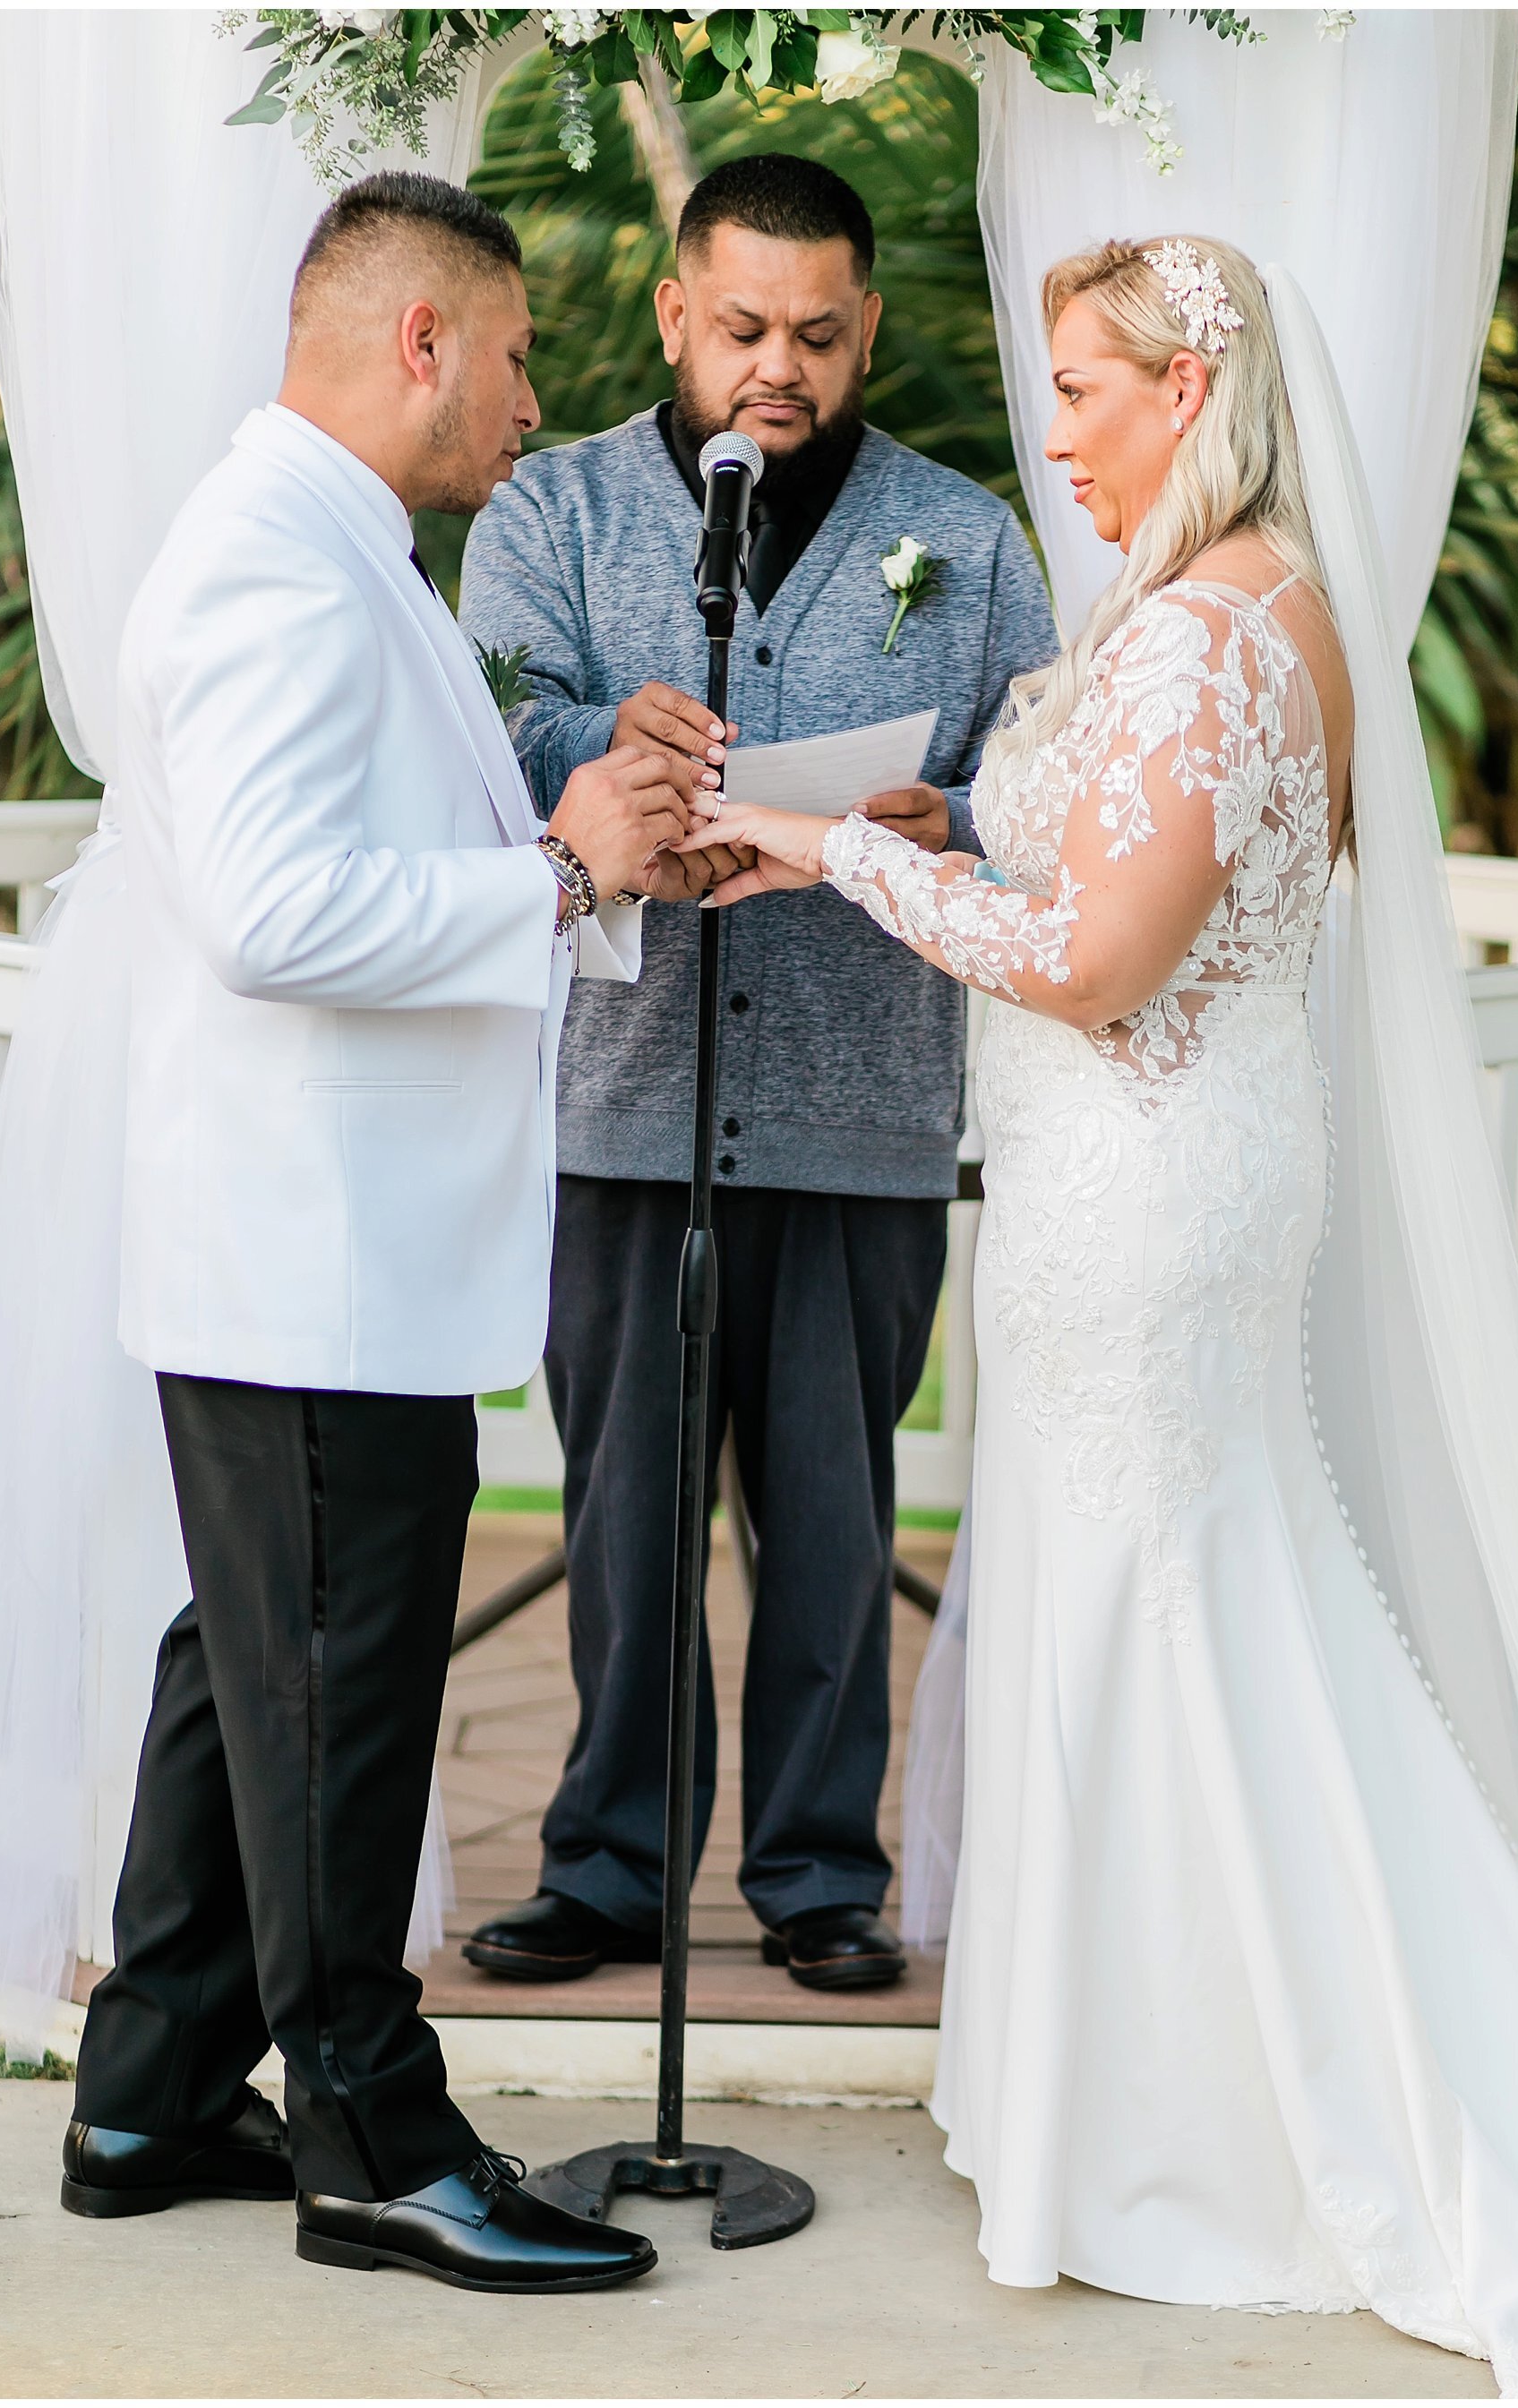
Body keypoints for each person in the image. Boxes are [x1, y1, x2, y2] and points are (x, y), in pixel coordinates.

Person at [679, 239, 1518, 2392]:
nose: (1053, 432)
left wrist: (826, 853)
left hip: (1148, 1194)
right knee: (1152, 1594)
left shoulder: (1208, 641)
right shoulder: (1243, 611)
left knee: (1169, 1610)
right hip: (1150, 1185)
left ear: (1190, 390)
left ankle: (1221, 2138)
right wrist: (945, 814)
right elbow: (1117, 869)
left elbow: (1091, 961)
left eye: (1082, 389)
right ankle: (1123, 2106)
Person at [63, 172, 700, 2295]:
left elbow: (364, 855)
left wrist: (577, 850)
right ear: (423, 341)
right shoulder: (278, 567)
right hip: (310, 1259)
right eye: (516, 358)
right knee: (329, 1690)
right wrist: (555, 880)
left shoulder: (340, 555)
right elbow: (271, 915)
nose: (534, 403)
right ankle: (373, 2131)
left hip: (318, 1255)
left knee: (241, 1678)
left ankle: (150, 2088)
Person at [458, 154, 1056, 1992]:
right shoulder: (544, 510)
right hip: (621, 1098)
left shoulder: (966, 540)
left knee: (832, 1509)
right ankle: (611, 1864)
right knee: (624, 1512)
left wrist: (938, 811)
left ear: (866, 324)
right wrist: (592, 738)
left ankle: (818, 1874)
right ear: (671, 318)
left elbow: (1043, 786)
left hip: (861, 1102)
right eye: (740, 330)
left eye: (814, 332)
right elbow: (484, 713)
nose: (775, 368)